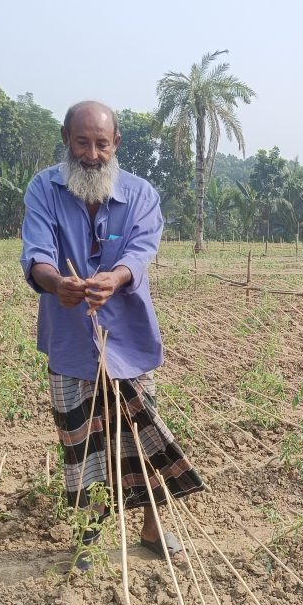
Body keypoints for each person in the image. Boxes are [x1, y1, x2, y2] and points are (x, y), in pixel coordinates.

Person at [20, 100, 203, 568]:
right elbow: (36, 252)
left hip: (129, 340)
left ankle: (151, 529)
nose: (93, 153)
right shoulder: (44, 189)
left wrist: (115, 277)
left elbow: (141, 251)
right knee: (81, 442)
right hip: (70, 340)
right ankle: (89, 533)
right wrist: (56, 282)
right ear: (66, 139)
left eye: (102, 143)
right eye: (82, 142)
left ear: (116, 144)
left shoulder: (141, 195)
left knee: (140, 438)